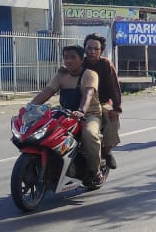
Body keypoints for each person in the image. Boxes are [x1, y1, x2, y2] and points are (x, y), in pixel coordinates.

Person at [30, 45, 103, 186]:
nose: (68, 61)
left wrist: (81, 110)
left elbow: (88, 94)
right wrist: (30, 107)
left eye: (73, 57)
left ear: (82, 60)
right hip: (65, 114)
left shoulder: (89, 74)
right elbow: (46, 92)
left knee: (89, 134)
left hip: (89, 114)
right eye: (65, 57)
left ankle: (95, 171)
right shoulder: (61, 75)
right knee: (44, 132)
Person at [82, 33, 121, 169]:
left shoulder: (105, 64)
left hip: (103, 102)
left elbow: (114, 87)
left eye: (95, 49)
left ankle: (107, 151)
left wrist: (116, 108)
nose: (92, 52)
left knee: (111, 117)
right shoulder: (80, 63)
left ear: (101, 51)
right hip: (82, 104)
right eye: (89, 48)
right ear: (85, 49)